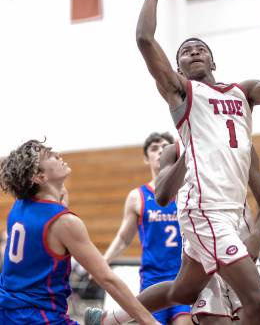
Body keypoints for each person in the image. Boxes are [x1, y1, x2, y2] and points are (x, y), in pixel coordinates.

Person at [85, 0, 260, 325]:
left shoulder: (242, 92)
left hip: (233, 212)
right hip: (205, 210)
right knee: (258, 304)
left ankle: (110, 319)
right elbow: (144, 40)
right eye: (186, 52)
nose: (194, 52)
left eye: (200, 48)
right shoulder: (182, 94)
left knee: (182, 293)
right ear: (178, 69)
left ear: (213, 59)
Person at [87, 141, 260, 325]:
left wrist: (257, 236)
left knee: (181, 292)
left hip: (237, 245)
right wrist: (190, 150)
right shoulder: (171, 156)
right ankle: (110, 318)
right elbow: (160, 198)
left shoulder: (240, 140)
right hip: (194, 252)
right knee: (182, 295)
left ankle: (109, 318)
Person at [0, 139, 160, 325]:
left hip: (7, 311)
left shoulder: (18, 207)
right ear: (39, 177)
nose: (57, 154)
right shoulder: (64, 222)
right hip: (39, 318)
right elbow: (107, 279)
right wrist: (151, 322)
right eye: (49, 155)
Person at [103, 132, 191, 325]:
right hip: (153, 278)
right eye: (154, 148)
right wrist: (103, 262)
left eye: (165, 146)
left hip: (183, 276)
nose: (160, 150)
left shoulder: (187, 191)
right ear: (146, 158)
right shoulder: (138, 196)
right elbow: (124, 238)